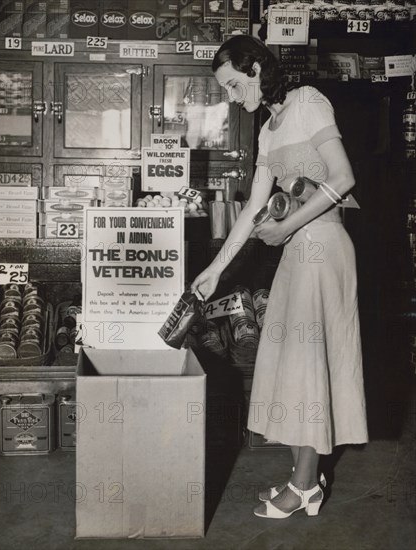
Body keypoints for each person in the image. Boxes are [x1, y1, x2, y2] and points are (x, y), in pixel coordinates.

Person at [191, 35, 368, 519]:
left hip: (324, 247)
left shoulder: (309, 102)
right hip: (296, 254)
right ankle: (304, 479)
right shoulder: (269, 129)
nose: (230, 96)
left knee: (309, 367)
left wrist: (288, 224)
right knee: (291, 366)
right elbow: (252, 209)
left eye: (231, 84)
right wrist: (214, 268)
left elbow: (344, 176)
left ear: (254, 69)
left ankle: (305, 485)